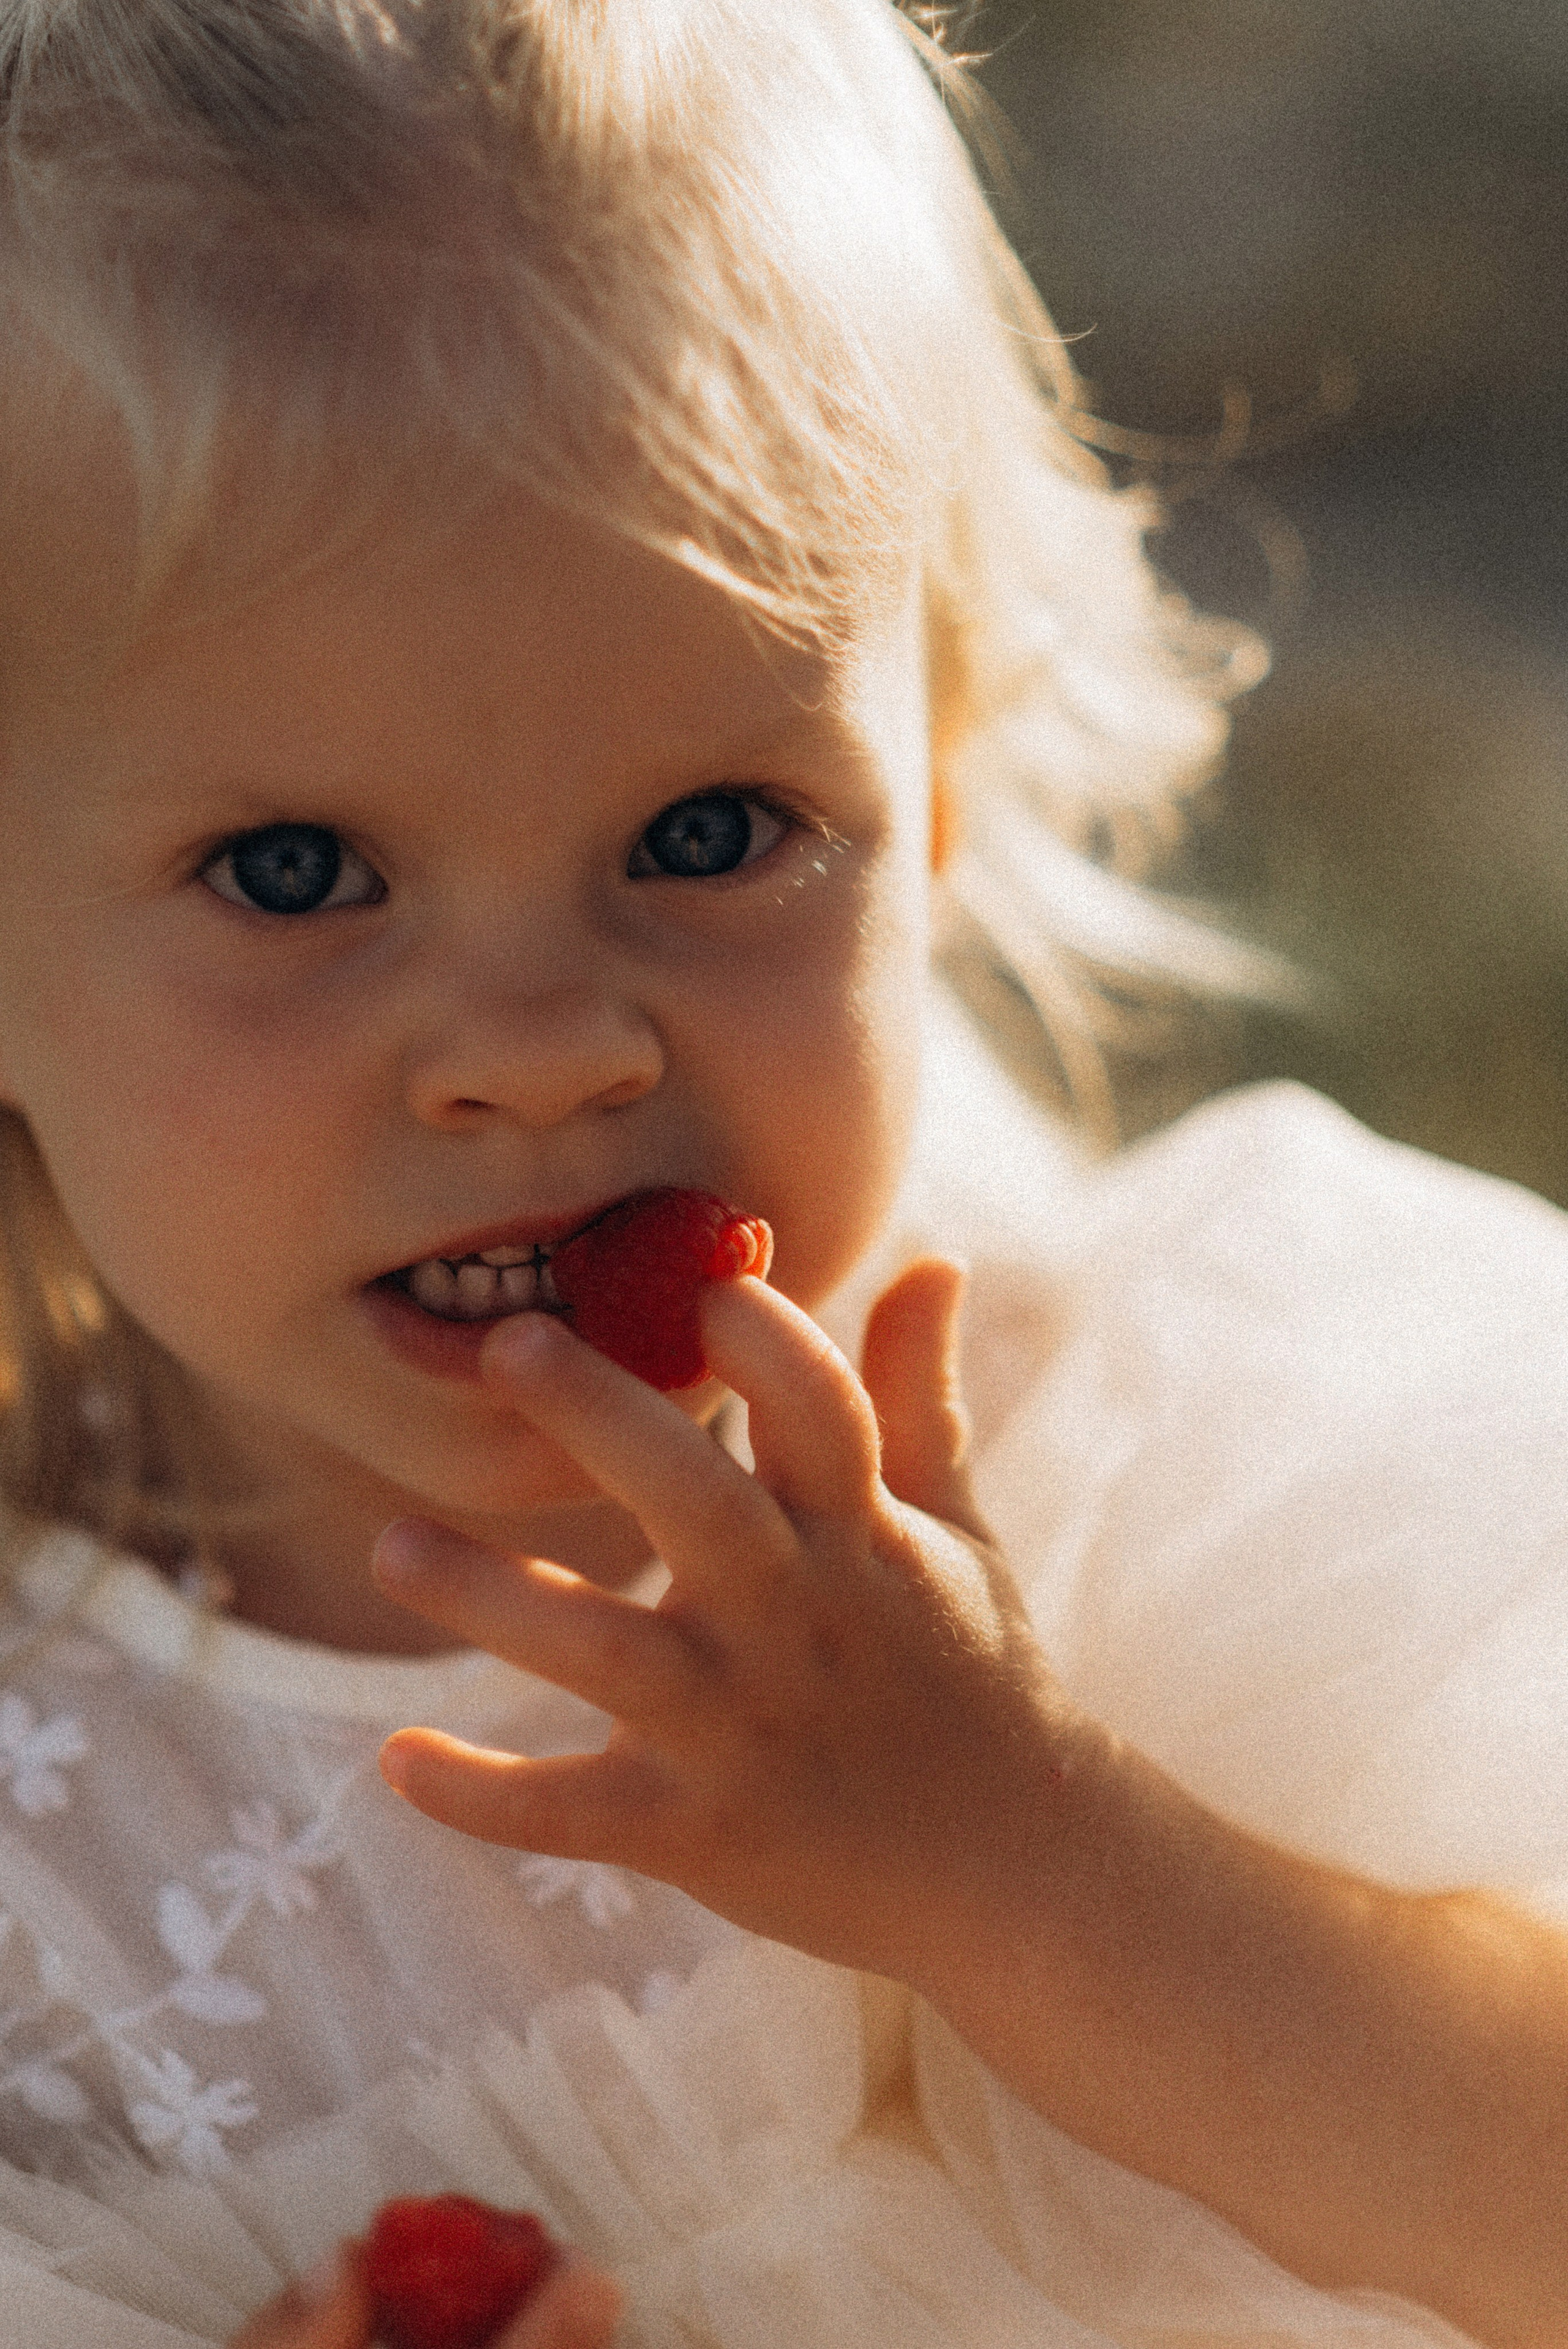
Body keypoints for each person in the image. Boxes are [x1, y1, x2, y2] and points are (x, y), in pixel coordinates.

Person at [0, 4, 1564, 2345]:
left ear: (938, 782)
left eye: (710, 834)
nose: (545, 1050)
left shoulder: (1164, 1452)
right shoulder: (59, 1852)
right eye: (299, 868)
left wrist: (1039, 1865)